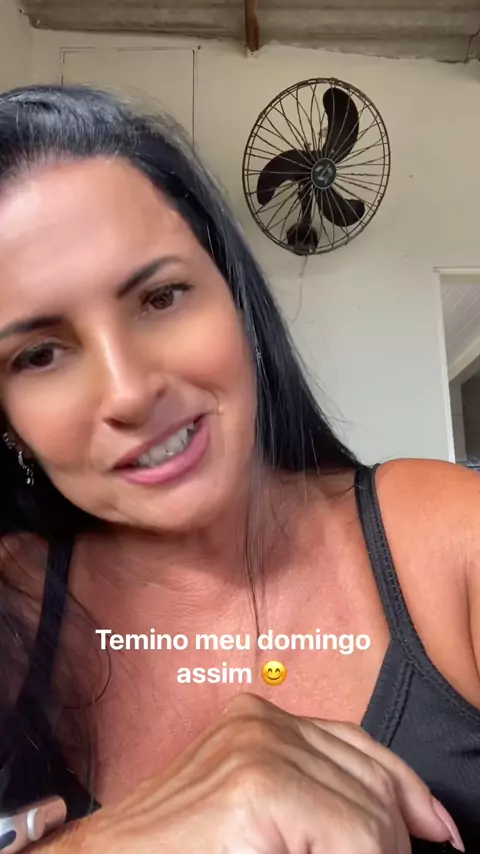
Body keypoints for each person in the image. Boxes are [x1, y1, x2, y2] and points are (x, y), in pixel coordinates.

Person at [0, 84, 478, 854]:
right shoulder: (14, 607)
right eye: (39, 355)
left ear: (236, 298)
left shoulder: (452, 540)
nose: (130, 391)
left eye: (161, 297)